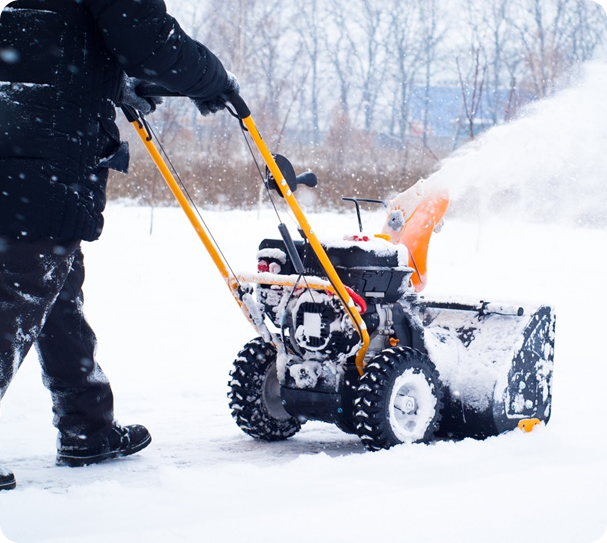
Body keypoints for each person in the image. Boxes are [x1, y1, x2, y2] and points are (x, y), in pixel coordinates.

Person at [0, 0, 238, 491]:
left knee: (53, 283)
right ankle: (86, 424)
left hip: (15, 126)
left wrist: (110, 78)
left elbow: (38, 32)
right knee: (22, 293)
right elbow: (146, 39)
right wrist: (212, 77)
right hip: (47, 141)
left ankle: (87, 424)